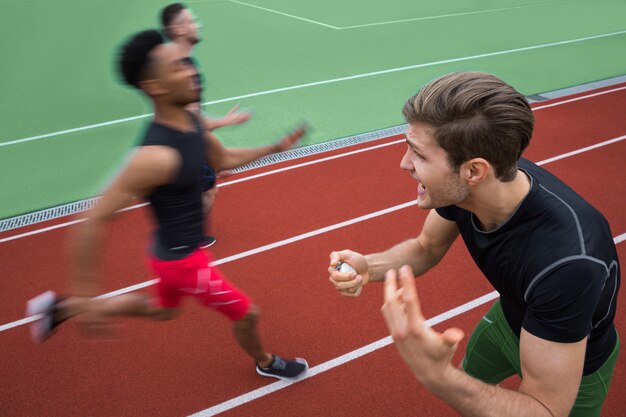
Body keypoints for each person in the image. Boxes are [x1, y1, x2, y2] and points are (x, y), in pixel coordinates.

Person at [329, 72, 620, 416]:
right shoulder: (467, 186)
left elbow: (545, 409)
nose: (404, 163)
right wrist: (369, 266)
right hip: (509, 319)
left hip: (576, 362)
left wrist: (435, 375)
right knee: (472, 385)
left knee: (464, 388)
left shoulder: (568, 263)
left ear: (473, 172)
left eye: (419, 155)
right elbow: (426, 248)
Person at [27, 29, 308, 381]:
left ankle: (62, 309)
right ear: (155, 86)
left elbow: (223, 158)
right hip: (183, 262)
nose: (191, 71)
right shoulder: (154, 158)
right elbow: (91, 221)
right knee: (247, 313)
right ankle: (267, 363)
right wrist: (88, 292)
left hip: (166, 253)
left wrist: (274, 148)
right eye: (177, 68)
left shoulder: (190, 121)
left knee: (161, 311)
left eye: (187, 63)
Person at [161, 2, 253, 248]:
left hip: (178, 141)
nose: (196, 25)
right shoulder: (183, 67)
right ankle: (190, 239)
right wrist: (225, 122)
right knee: (208, 190)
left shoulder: (173, 60)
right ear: (179, 29)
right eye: (191, 21)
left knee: (203, 185)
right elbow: (190, 118)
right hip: (185, 143)